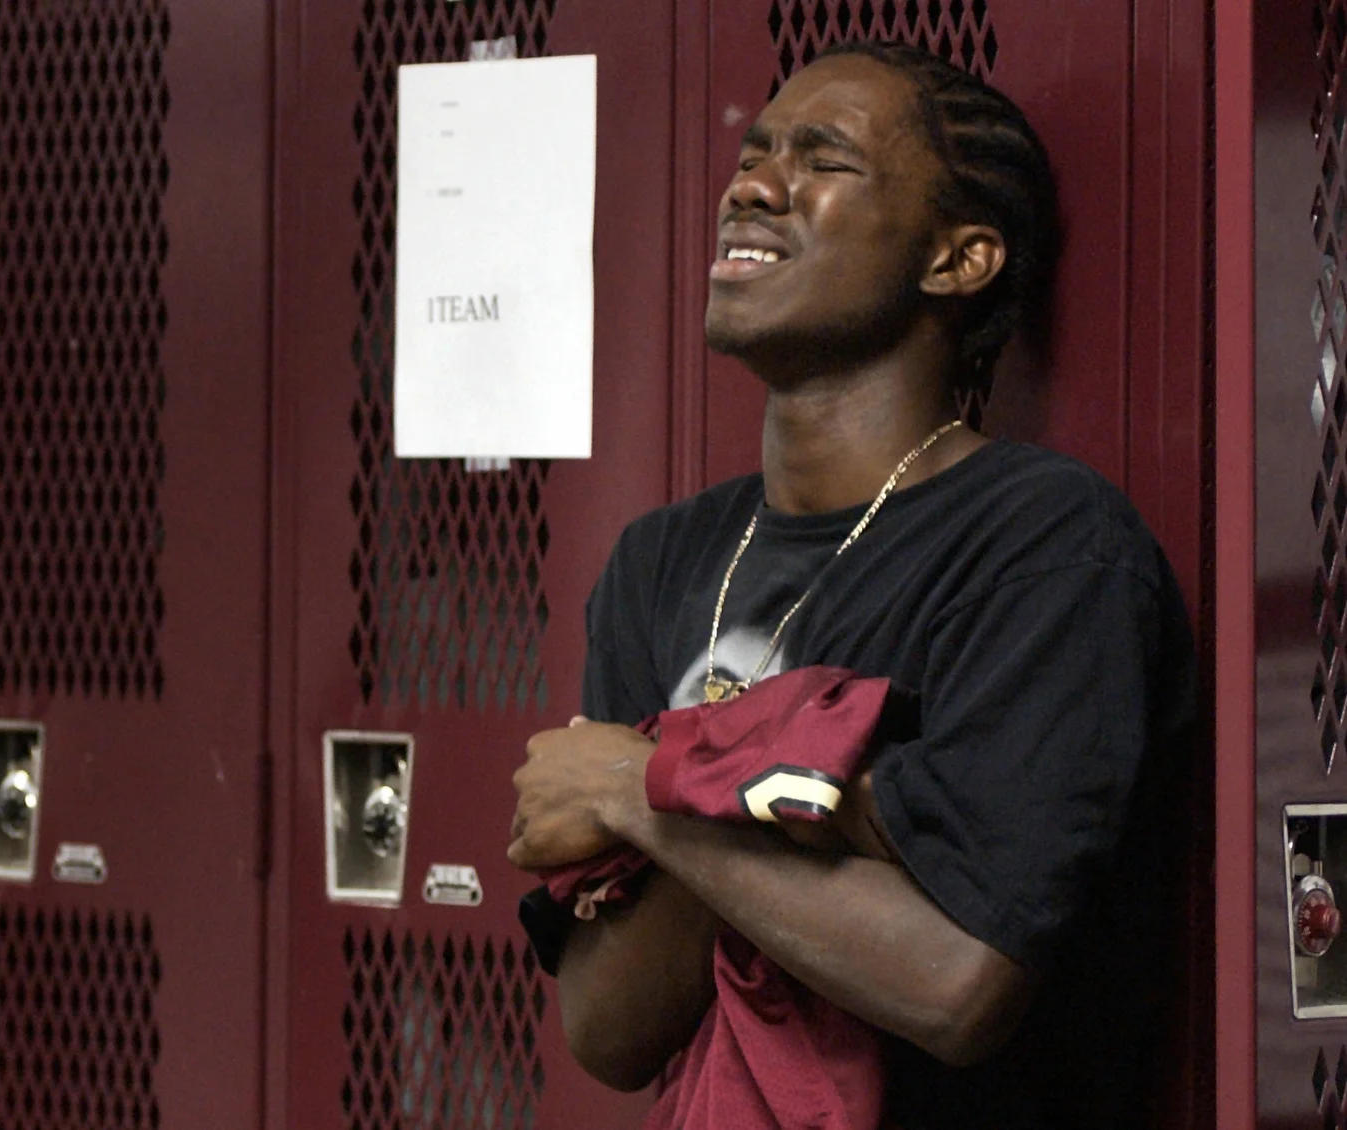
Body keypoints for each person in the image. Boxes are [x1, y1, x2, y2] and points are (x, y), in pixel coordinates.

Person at [507, 39, 1195, 1130]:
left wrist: (644, 786)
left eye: (822, 160)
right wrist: (797, 786)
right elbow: (608, 1028)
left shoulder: (1046, 546)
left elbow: (954, 984)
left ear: (958, 260)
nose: (752, 186)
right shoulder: (661, 561)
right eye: (754, 153)